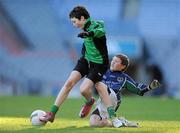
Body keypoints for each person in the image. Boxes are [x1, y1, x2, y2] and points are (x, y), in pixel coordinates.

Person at [40, 5, 122, 127]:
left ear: (82, 18)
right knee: (69, 83)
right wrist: (86, 34)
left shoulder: (96, 25)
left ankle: (90, 102)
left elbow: (100, 31)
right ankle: (52, 113)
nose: (74, 25)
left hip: (99, 64)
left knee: (83, 90)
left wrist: (89, 33)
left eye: (74, 21)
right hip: (85, 60)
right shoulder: (84, 27)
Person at [89, 54, 161, 127]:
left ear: (123, 66)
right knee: (94, 124)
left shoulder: (124, 78)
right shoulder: (103, 72)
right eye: (113, 60)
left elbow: (138, 89)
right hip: (102, 101)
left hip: (113, 99)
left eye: (116, 61)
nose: (113, 62)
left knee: (100, 84)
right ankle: (122, 122)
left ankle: (113, 117)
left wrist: (149, 87)